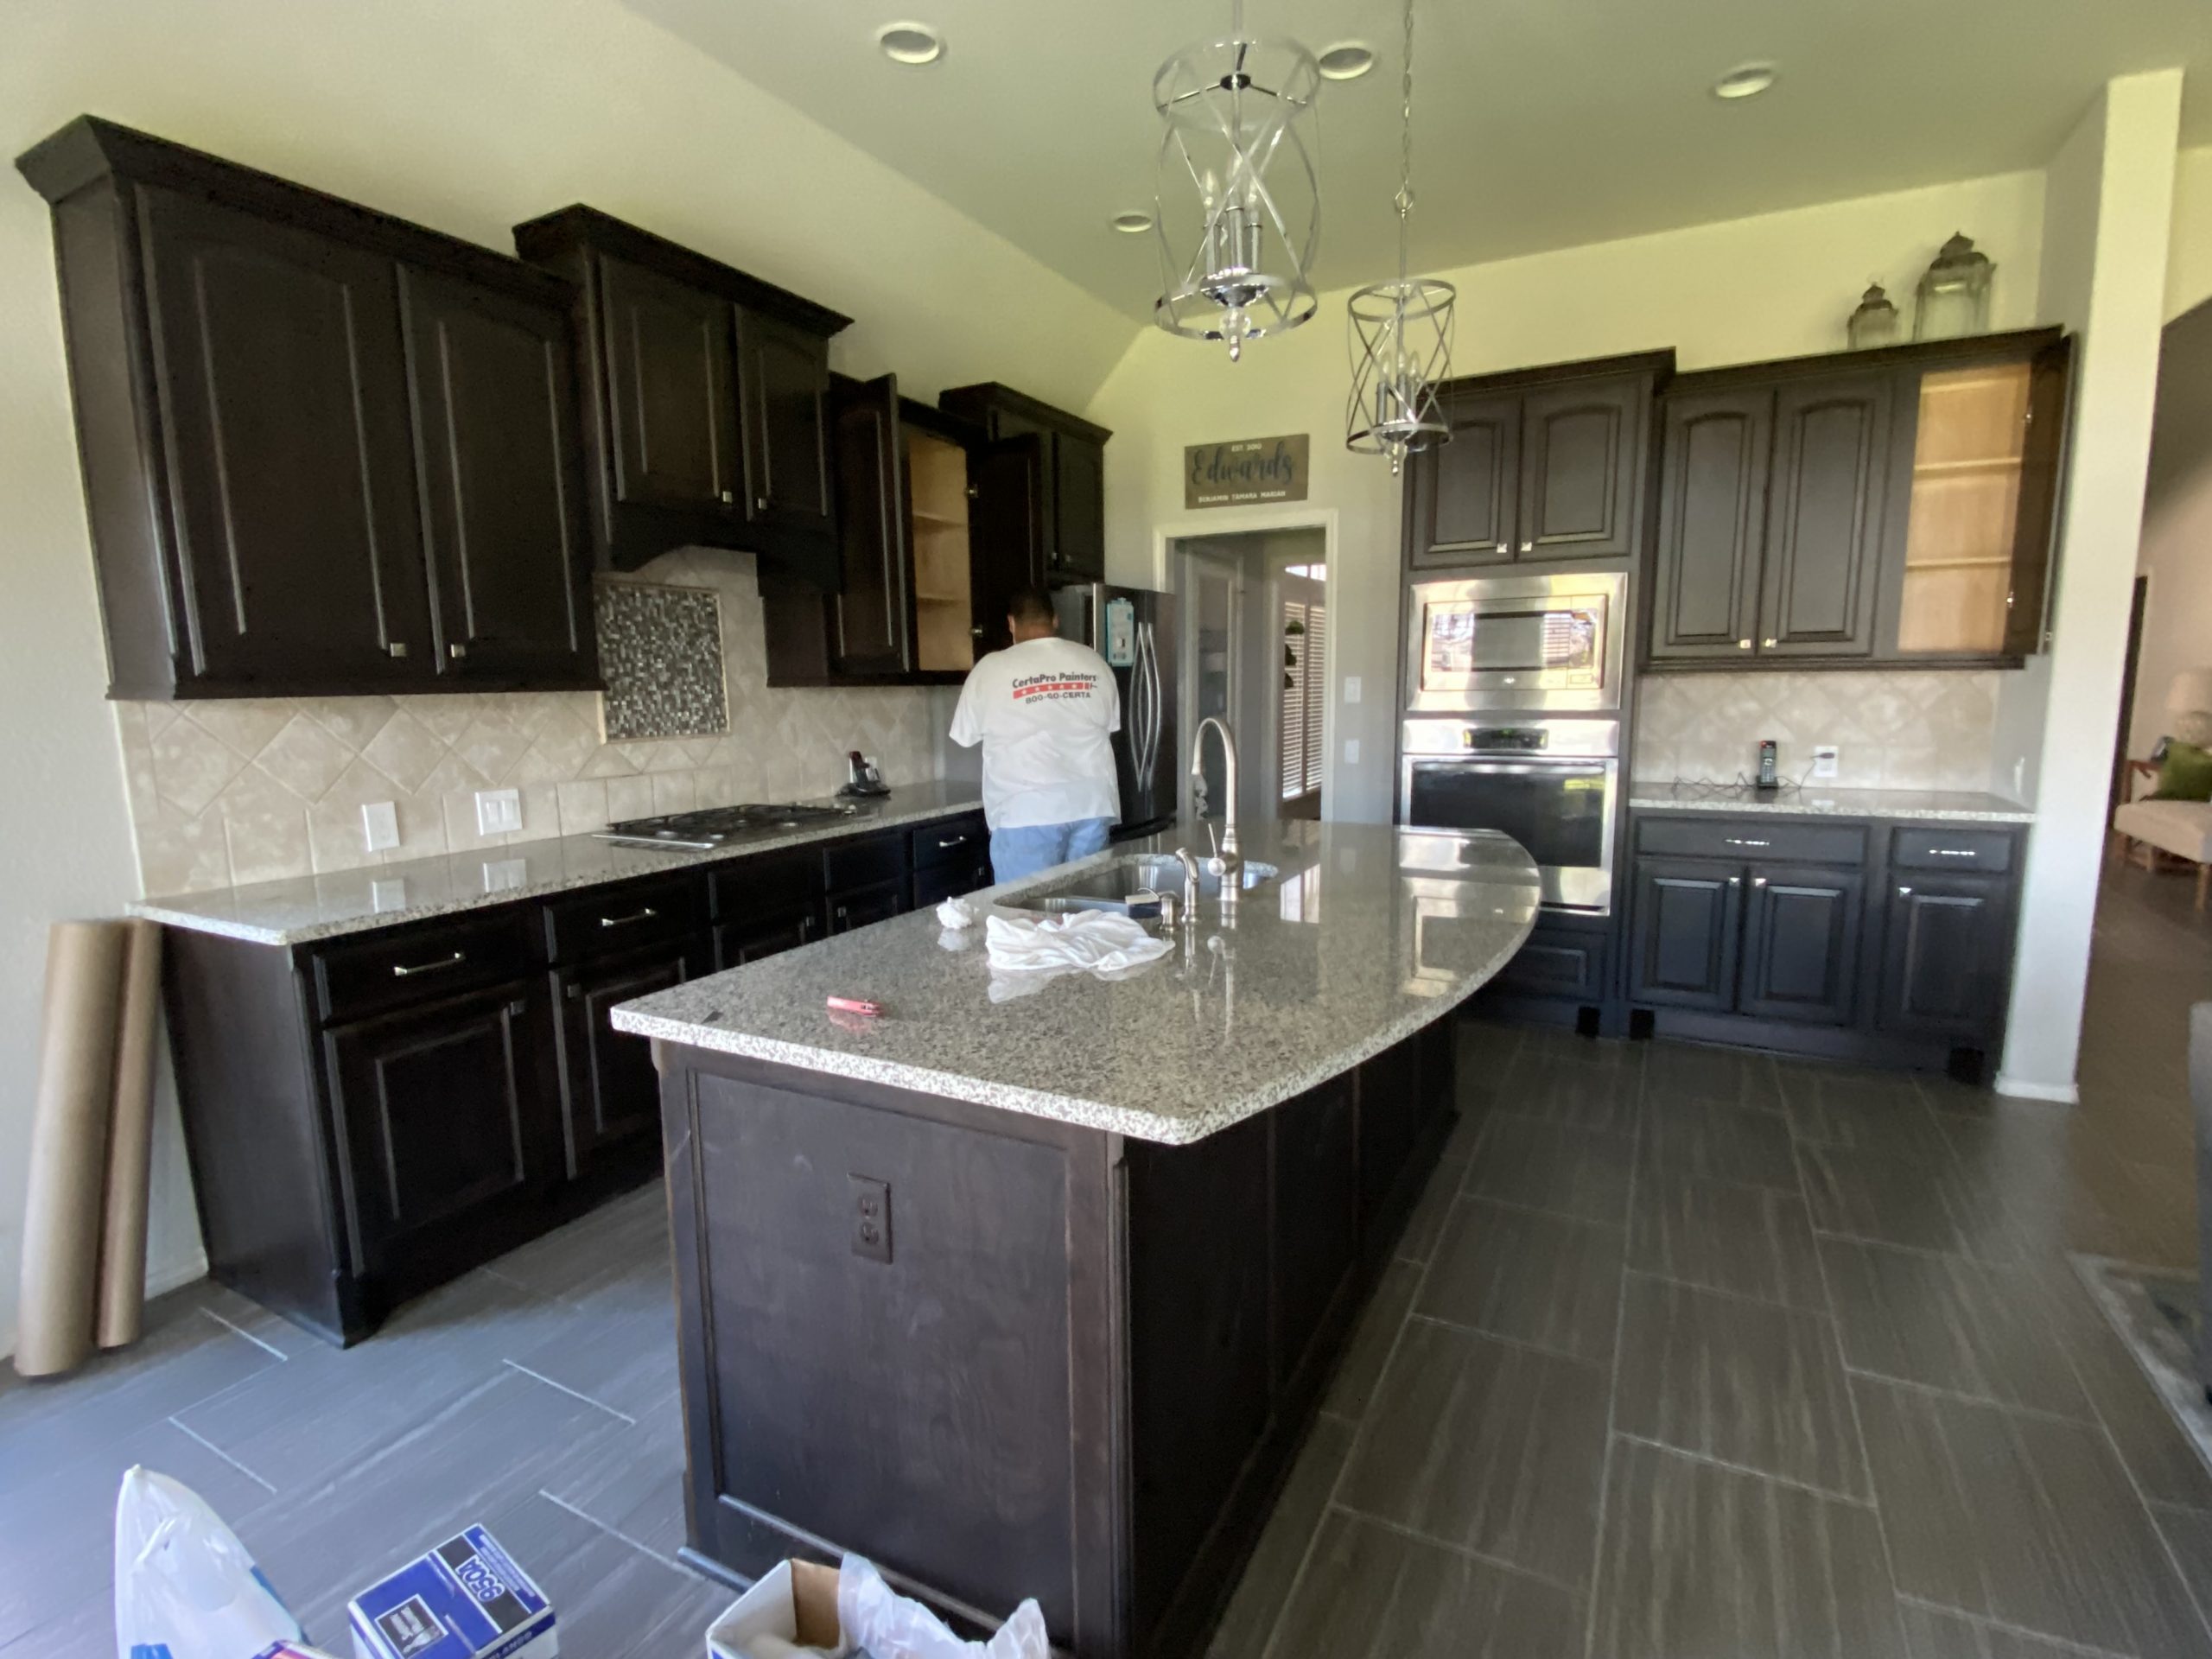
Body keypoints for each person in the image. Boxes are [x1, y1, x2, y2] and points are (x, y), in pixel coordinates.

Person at [949, 586, 1120, 883]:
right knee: (1085, 913)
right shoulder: (1094, 662)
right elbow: (1109, 726)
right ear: (1055, 620)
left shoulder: (990, 669)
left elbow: (965, 736)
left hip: (1026, 811)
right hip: (1092, 805)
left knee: (1024, 918)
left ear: (1011, 623)